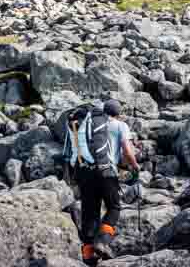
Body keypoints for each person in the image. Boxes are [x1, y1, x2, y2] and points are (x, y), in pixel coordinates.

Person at [74, 99, 141, 265]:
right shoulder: (120, 126)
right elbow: (126, 150)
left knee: (90, 212)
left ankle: (88, 255)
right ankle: (103, 241)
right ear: (118, 113)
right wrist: (135, 166)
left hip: (85, 172)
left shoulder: (89, 124)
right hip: (106, 171)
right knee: (114, 207)